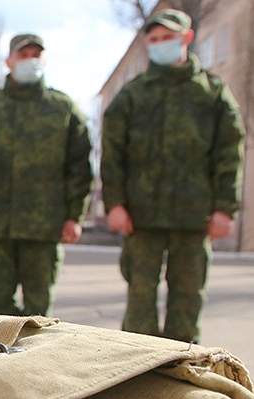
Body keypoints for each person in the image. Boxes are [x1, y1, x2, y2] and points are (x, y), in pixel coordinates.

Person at [101, 9, 245, 343]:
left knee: (188, 296)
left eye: (168, 37)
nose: (161, 44)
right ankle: (139, 363)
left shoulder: (212, 93)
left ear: (187, 38)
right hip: (141, 217)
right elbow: (112, 154)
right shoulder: (132, 95)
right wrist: (115, 204)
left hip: (194, 217)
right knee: (140, 296)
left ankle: (182, 362)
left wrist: (225, 208)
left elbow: (229, 151)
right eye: (154, 39)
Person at [0, 34, 93, 317]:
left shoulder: (63, 109)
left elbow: (79, 169)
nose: (30, 60)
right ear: (9, 61)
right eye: (23, 55)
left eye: (35, 55)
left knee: (38, 314)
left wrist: (74, 216)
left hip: (44, 228)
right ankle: (2, 348)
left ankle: (32, 348)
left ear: (44, 60)